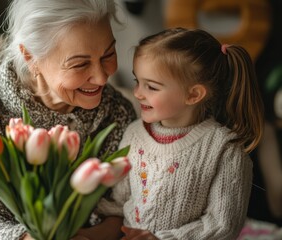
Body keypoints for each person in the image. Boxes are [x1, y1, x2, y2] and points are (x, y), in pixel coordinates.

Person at [0, 0, 136, 239]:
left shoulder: (116, 112)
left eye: (108, 54)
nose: (102, 77)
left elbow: (122, 211)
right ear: (30, 57)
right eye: (80, 64)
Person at [97, 27, 264, 239]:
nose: (138, 93)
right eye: (137, 81)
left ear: (193, 95)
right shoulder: (134, 134)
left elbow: (222, 225)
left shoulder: (224, 149)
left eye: (152, 87)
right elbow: (119, 203)